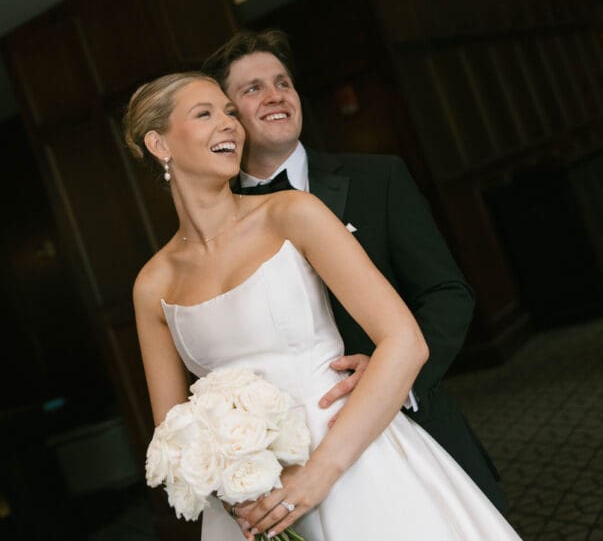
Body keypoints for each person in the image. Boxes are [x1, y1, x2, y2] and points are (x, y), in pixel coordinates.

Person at [125, 71, 602, 541]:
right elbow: (170, 429)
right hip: (253, 511)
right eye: (205, 114)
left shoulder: (292, 213)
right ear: (159, 144)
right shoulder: (153, 283)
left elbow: (404, 341)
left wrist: (317, 476)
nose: (229, 125)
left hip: (357, 468)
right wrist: (233, 492)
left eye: (228, 112)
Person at [202, 29, 505, 510]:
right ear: (227, 116)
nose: (276, 95)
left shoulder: (377, 178)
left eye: (283, 83)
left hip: (413, 429)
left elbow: (447, 292)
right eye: (253, 88)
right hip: (295, 457)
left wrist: (393, 375)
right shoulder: (215, 223)